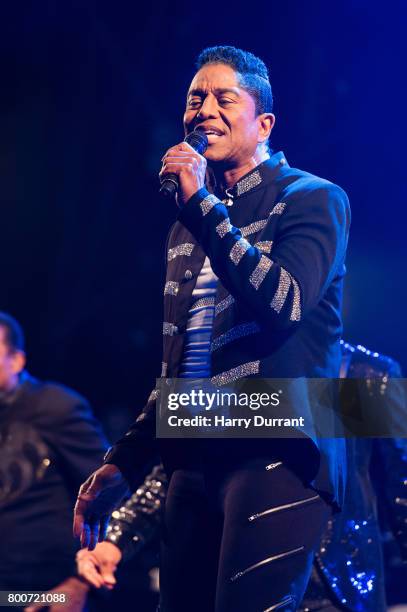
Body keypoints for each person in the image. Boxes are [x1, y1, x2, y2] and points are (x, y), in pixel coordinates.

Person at [74, 45, 351, 611]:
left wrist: (200, 204)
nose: (205, 109)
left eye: (226, 99)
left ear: (264, 123)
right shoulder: (186, 228)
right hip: (193, 453)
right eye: (195, 98)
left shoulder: (314, 198)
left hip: (273, 448)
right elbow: (178, 368)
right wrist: (120, 460)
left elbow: (283, 302)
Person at [76, 342, 407, 612]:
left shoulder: (367, 375)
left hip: (338, 583)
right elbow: (178, 470)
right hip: (241, 568)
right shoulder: (229, 374)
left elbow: (401, 487)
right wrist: (116, 538)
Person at [0, 311, 108, 611]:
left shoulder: (54, 406)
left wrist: (80, 583)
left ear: (17, 360)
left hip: (48, 589)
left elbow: (109, 492)